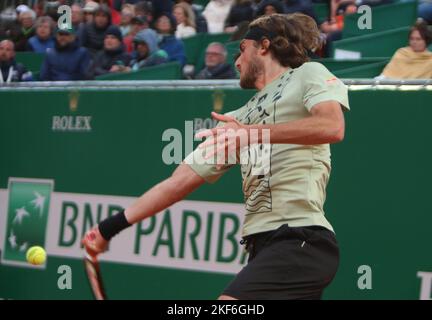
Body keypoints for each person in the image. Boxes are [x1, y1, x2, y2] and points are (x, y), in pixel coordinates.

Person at [82, 13, 349, 300]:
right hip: (262, 247)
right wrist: (108, 229)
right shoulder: (235, 121)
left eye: (242, 50)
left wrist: (252, 134)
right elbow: (177, 183)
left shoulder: (309, 74)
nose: (236, 62)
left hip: (301, 239)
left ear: (264, 46)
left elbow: (331, 126)